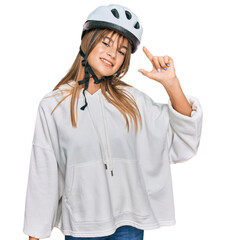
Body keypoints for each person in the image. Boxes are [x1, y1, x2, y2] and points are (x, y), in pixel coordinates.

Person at [23, 4, 203, 240]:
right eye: (106, 42)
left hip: (128, 224)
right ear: (88, 41)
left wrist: (171, 84)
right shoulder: (53, 105)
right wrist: (35, 235)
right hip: (81, 225)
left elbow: (181, 138)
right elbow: (43, 175)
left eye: (121, 50)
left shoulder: (133, 101)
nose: (112, 53)